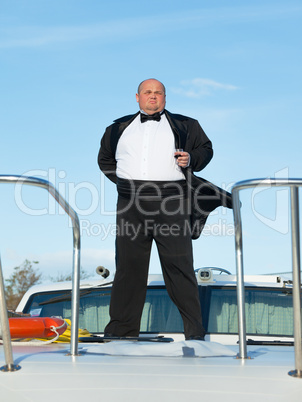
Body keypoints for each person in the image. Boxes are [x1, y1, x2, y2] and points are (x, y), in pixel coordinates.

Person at [98, 78, 215, 340]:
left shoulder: (187, 125)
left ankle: (194, 335)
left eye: (158, 93)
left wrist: (192, 158)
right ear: (137, 97)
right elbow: (104, 159)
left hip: (171, 200)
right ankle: (121, 333)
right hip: (130, 201)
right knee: (128, 268)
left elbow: (205, 150)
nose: (153, 96)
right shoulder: (117, 128)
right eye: (148, 92)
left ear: (165, 98)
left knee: (179, 267)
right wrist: (124, 183)